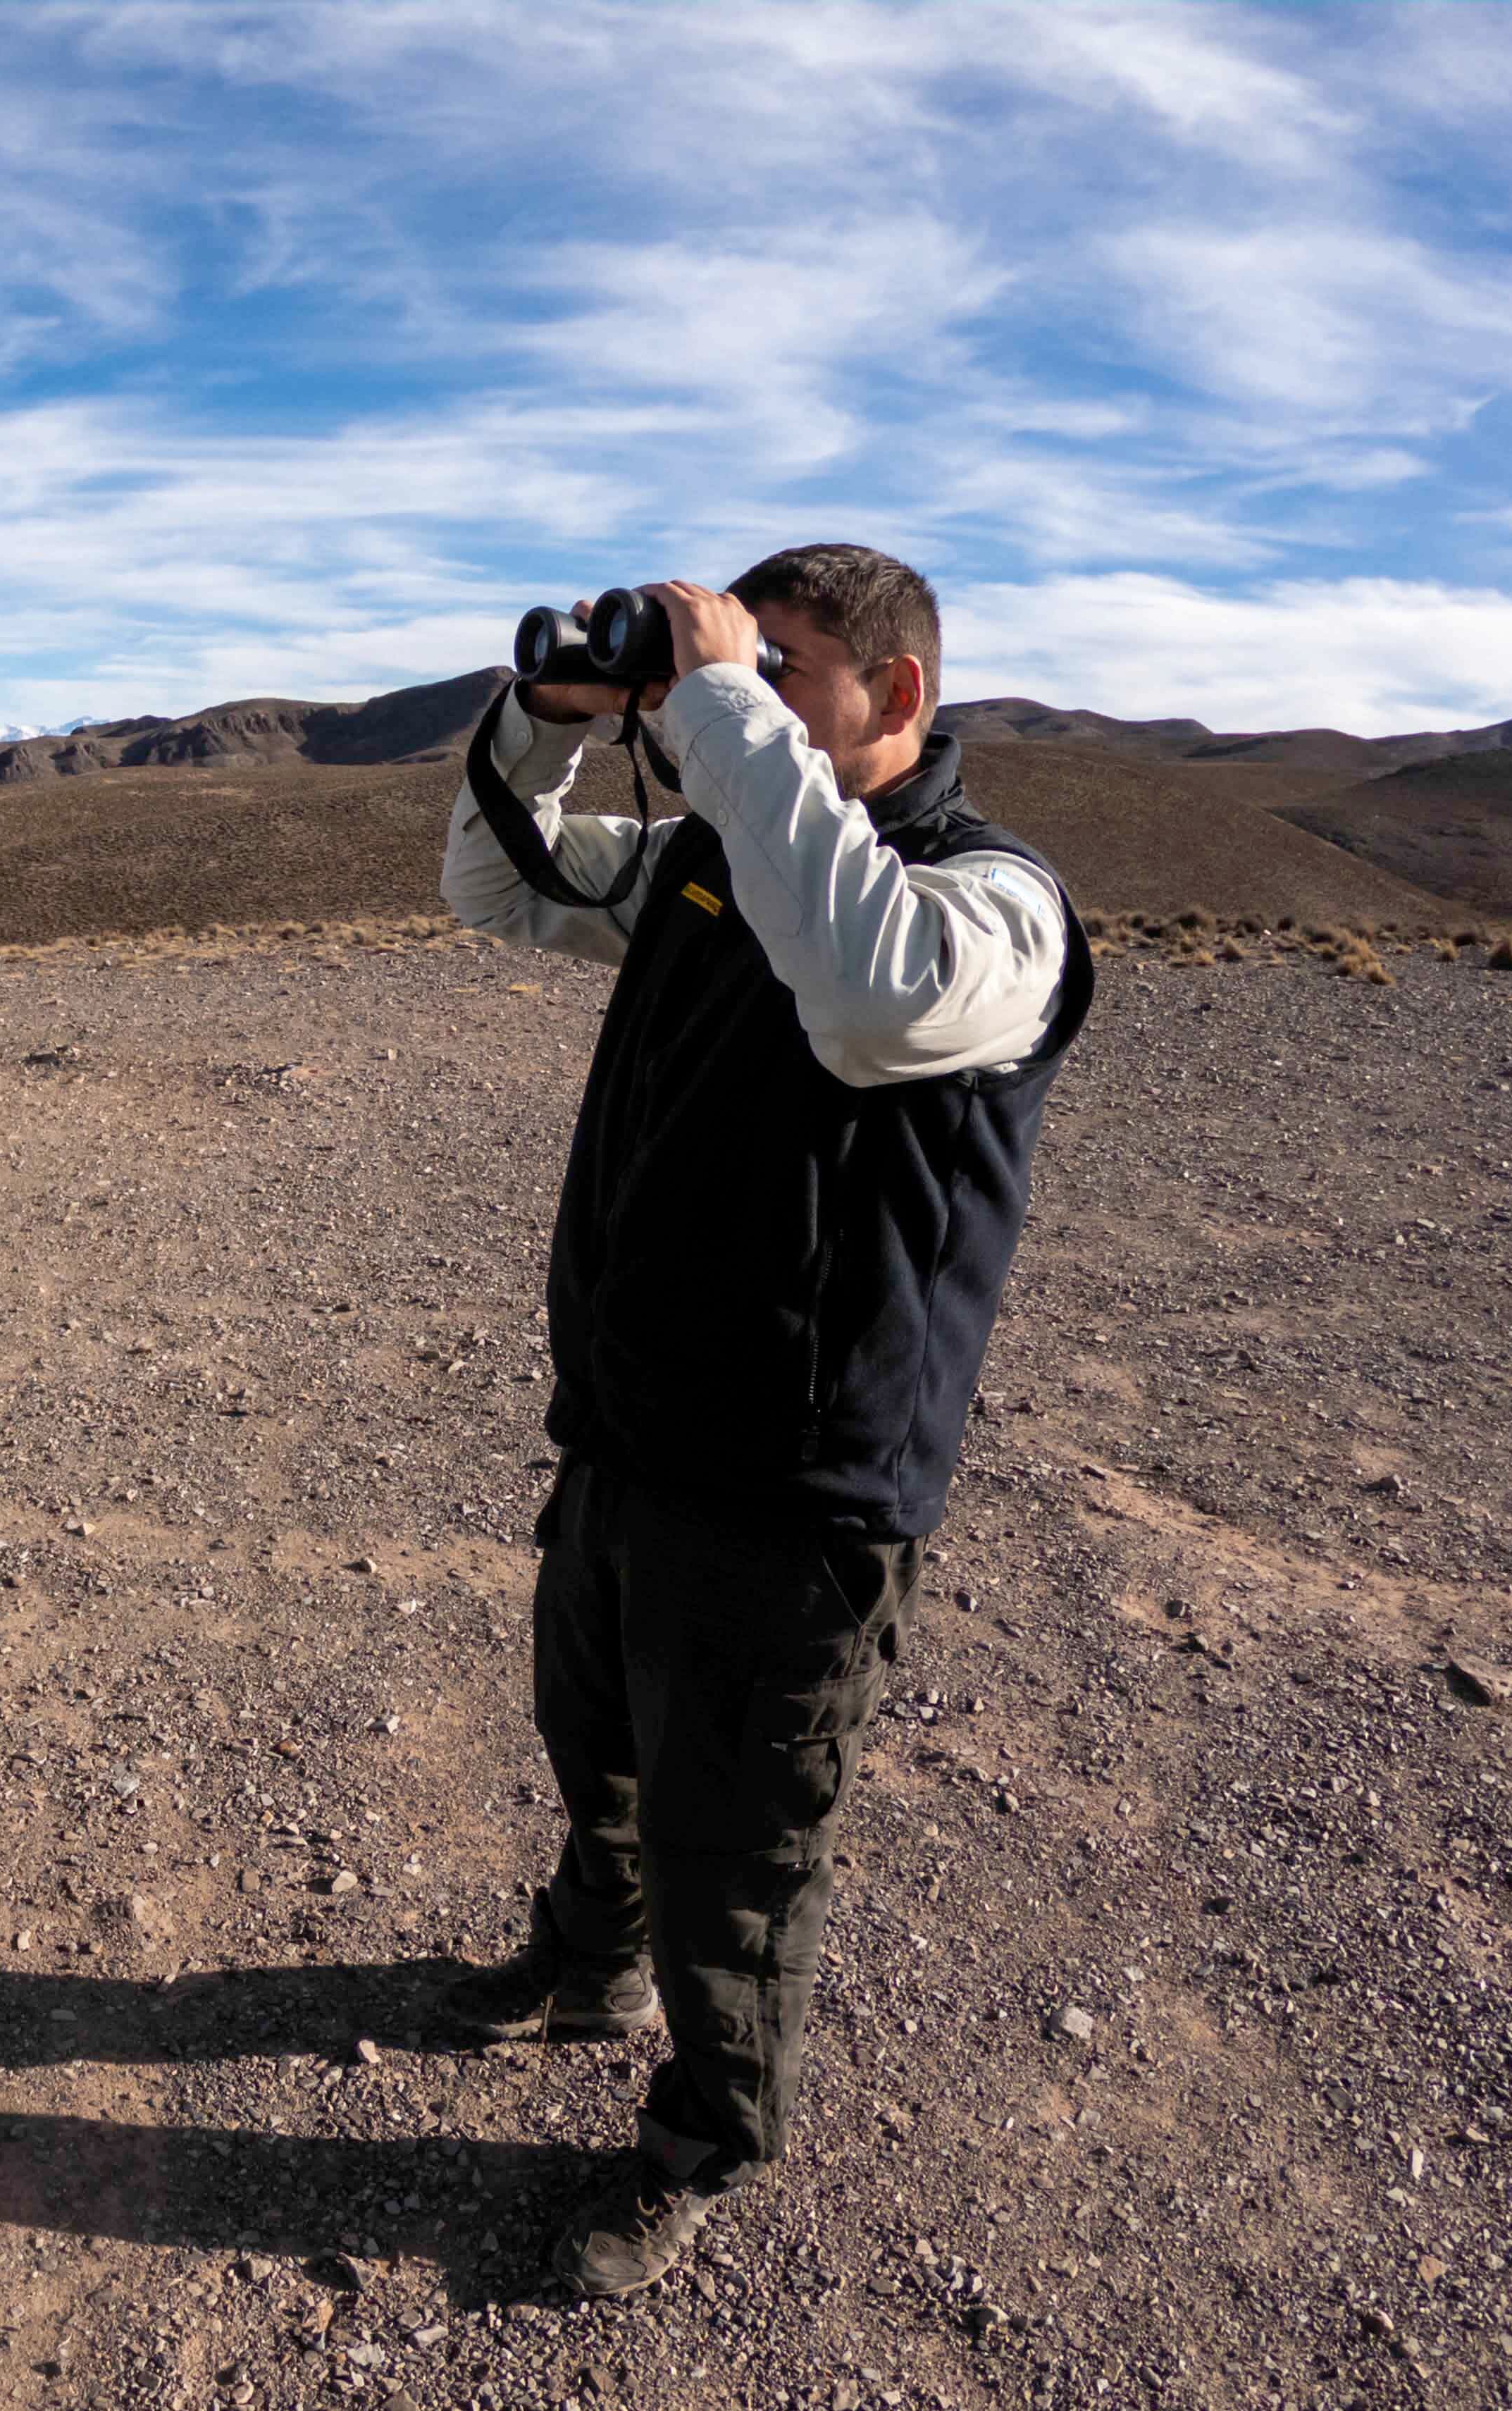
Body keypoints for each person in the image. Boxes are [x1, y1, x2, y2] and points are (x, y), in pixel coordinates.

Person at [434, 543, 1093, 2297]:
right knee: (599, 1743)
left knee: (740, 1847)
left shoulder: (995, 907)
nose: (748, 693)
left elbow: (871, 997)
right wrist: (546, 719)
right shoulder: (718, 850)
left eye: (787, 666)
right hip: (632, 1428)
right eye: (746, 661)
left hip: (797, 1485)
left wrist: (719, 709)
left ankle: (703, 2136)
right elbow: (502, 889)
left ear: (901, 694)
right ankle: (584, 1963)